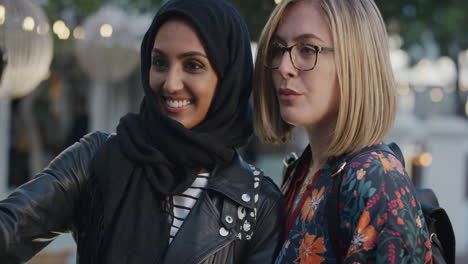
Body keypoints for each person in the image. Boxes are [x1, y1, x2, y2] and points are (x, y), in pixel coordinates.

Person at [0, 0, 284, 263]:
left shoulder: (257, 204)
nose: (171, 83)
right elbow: (9, 229)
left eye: (193, 65)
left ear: (228, 79)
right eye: (160, 62)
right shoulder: (97, 157)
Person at [253, 0, 431, 263]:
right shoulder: (302, 168)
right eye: (279, 49)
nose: (283, 67)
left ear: (356, 61)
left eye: (307, 49)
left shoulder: (377, 180)